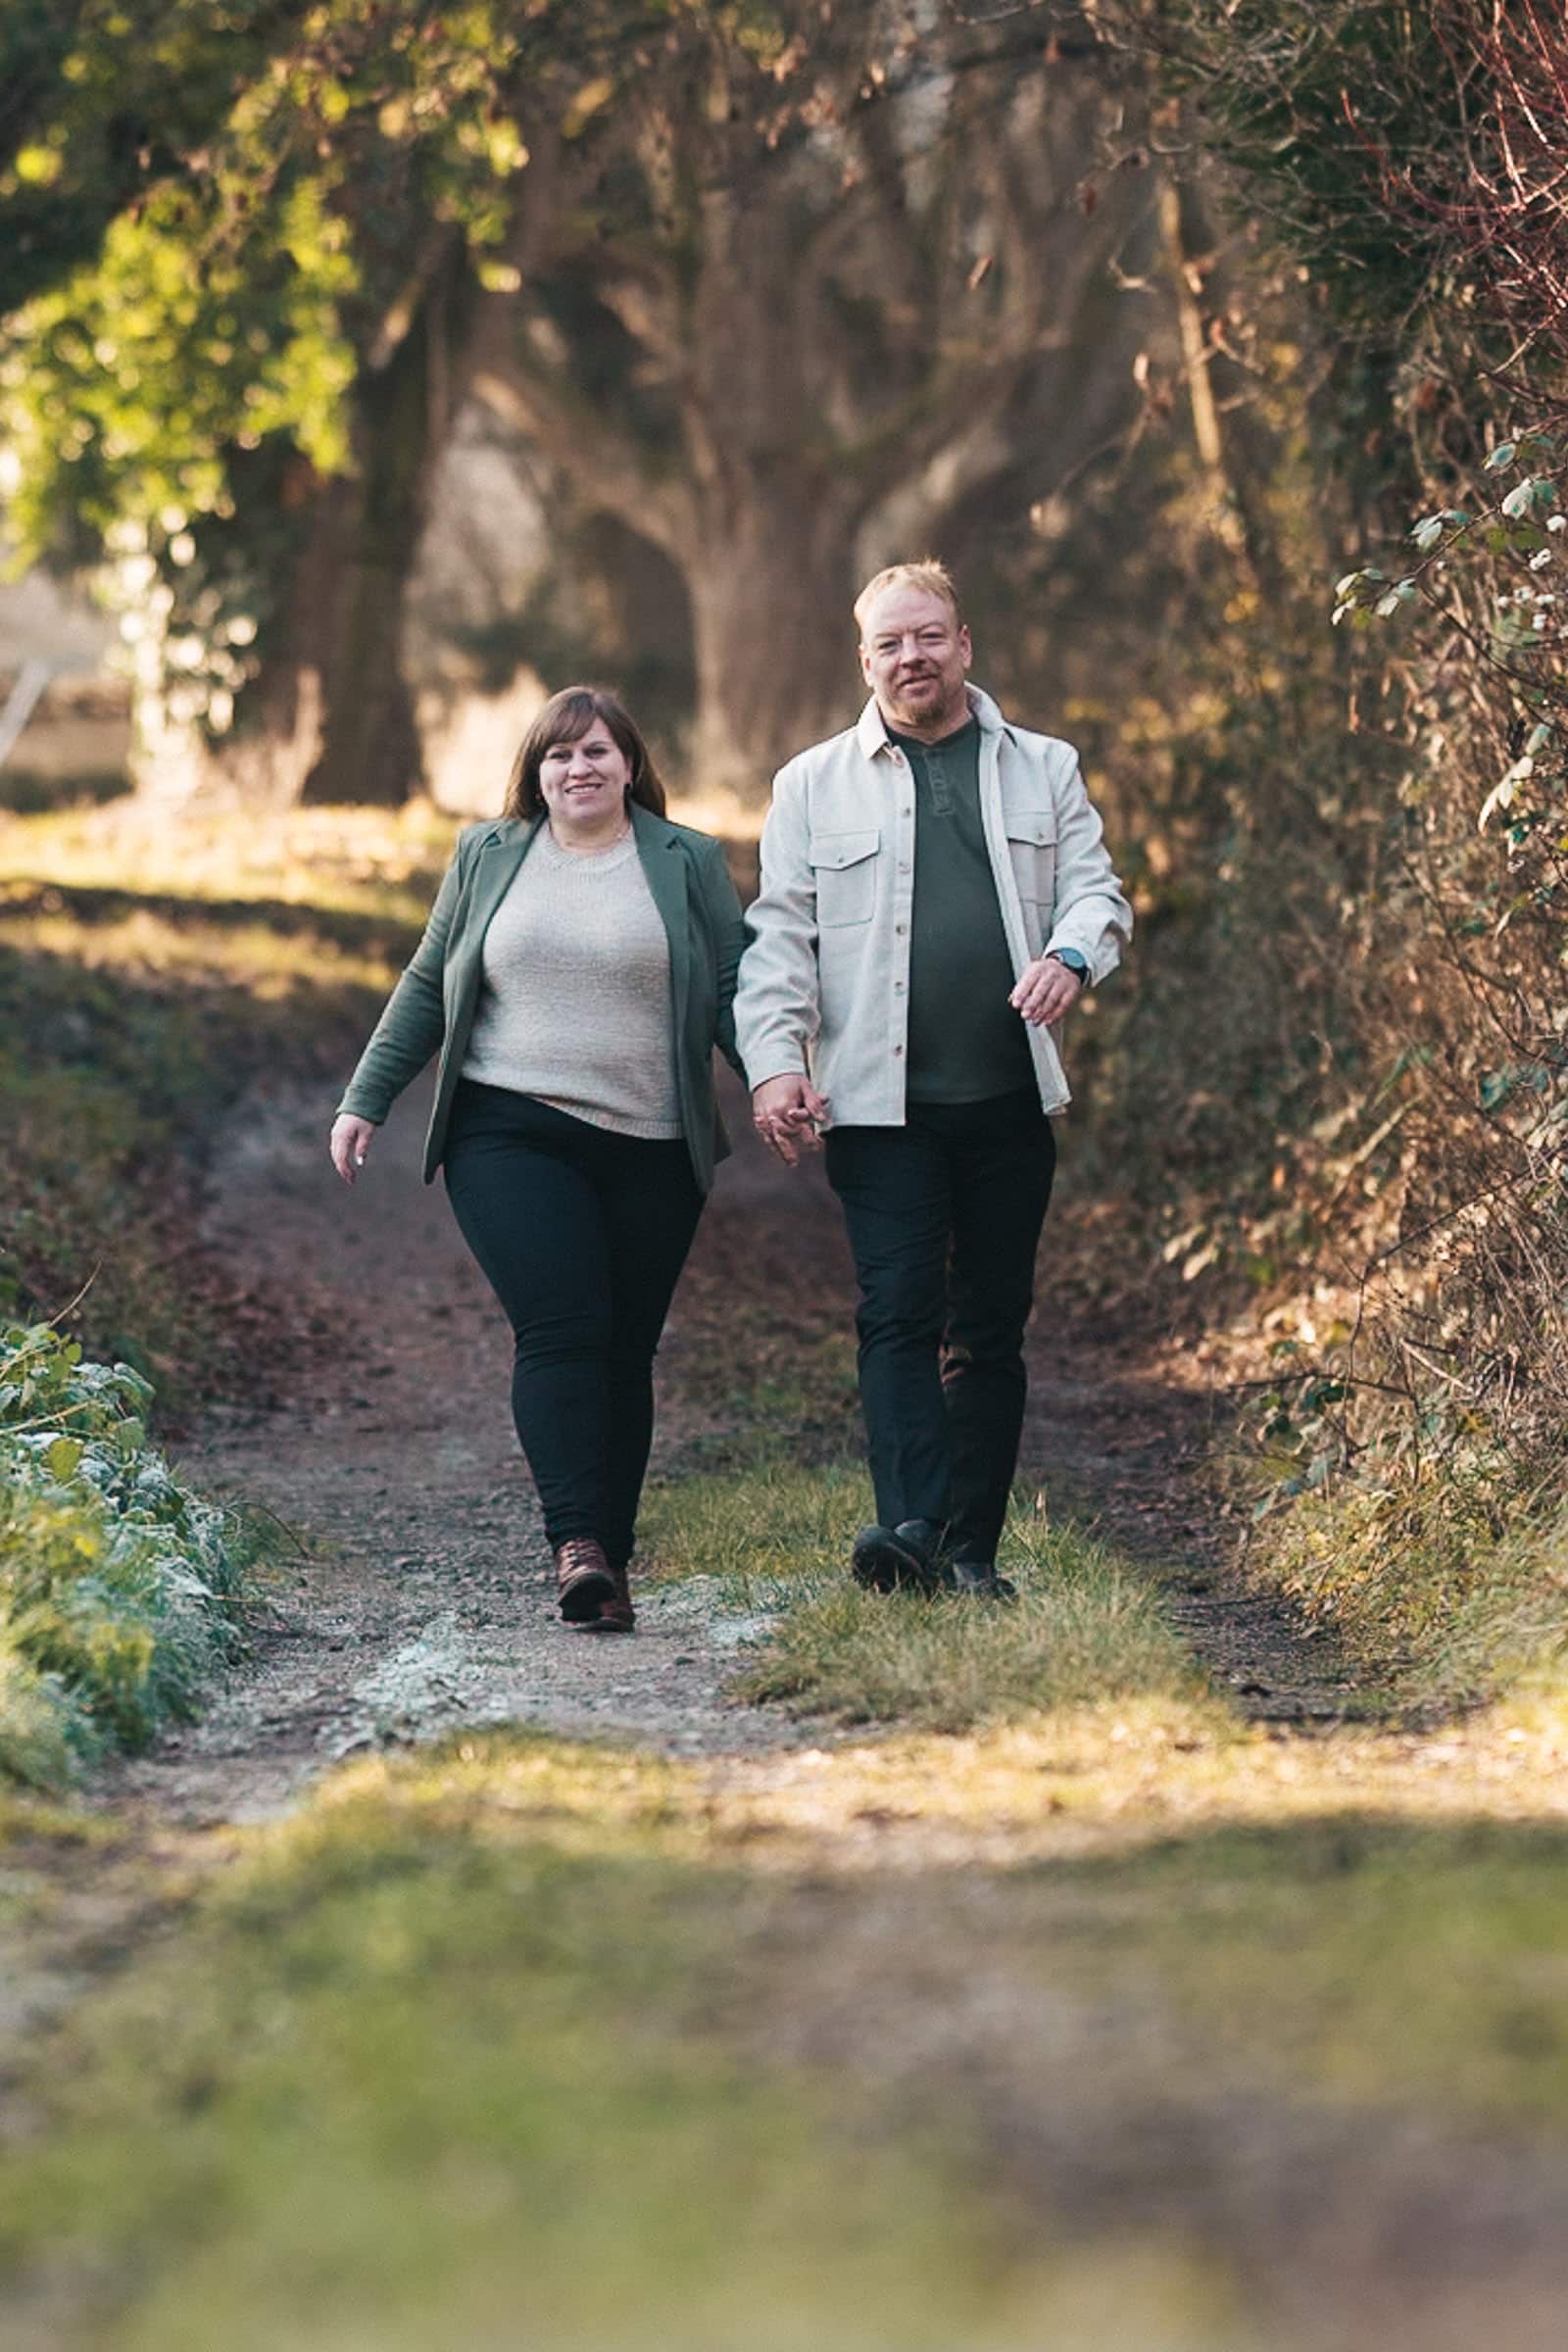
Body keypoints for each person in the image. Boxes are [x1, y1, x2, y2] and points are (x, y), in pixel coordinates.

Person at [734, 560, 1131, 1601]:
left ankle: (970, 1552)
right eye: (888, 644)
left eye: (928, 637)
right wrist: (777, 1065)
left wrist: (1070, 956)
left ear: (964, 645)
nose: (910, 657)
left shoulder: (1043, 767)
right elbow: (779, 938)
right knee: (898, 1312)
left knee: (989, 1326)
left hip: (1006, 1097)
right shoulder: (810, 785)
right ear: (863, 661)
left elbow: (1096, 893)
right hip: (876, 1106)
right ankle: (908, 1527)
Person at [329, 685, 746, 1634]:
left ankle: (612, 1554)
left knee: (625, 1347)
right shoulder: (488, 854)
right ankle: (576, 1545)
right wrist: (366, 1097)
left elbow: (730, 992)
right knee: (562, 1325)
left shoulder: (687, 864)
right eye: (558, 755)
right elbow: (431, 981)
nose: (578, 768)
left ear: (630, 766)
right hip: (507, 1128)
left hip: (652, 1139)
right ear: (536, 771)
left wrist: (773, 1085)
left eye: (597, 751)